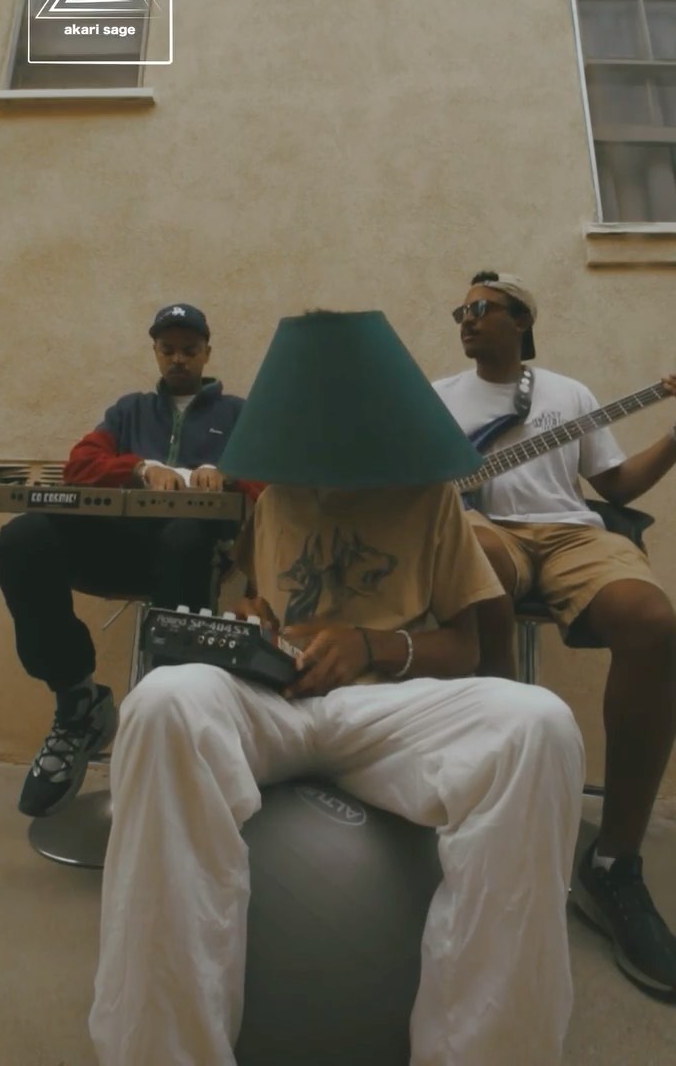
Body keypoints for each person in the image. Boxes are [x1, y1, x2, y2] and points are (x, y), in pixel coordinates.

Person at [89, 309, 585, 1066]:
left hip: (387, 707)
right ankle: (163, 1050)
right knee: (161, 703)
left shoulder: (429, 498)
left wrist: (371, 645)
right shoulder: (276, 496)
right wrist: (253, 629)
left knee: (539, 723)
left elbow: (469, 648)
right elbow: (257, 600)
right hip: (278, 701)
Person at [432, 269, 676, 997]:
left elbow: (616, 487)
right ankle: (508, 770)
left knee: (655, 623)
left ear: (521, 320)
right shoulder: (438, 398)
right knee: (474, 558)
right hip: (488, 530)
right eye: (460, 310)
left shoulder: (568, 393)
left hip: (573, 533)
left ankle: (613, 864)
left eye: (481, 307)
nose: (466, 318)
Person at [0, 303, 245, 819]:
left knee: (182, 535)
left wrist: (228, 476)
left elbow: (271, 480)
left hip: (194, 558)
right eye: (168, 349)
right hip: (118, 551)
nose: (178, 359)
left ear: (207, 353)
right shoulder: (129, 411)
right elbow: (80, 465)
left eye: (189, 350)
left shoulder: (238, 414)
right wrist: (140, 469)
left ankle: (169, 727)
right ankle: (78, 704)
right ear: (155, 351)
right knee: (23, 537)